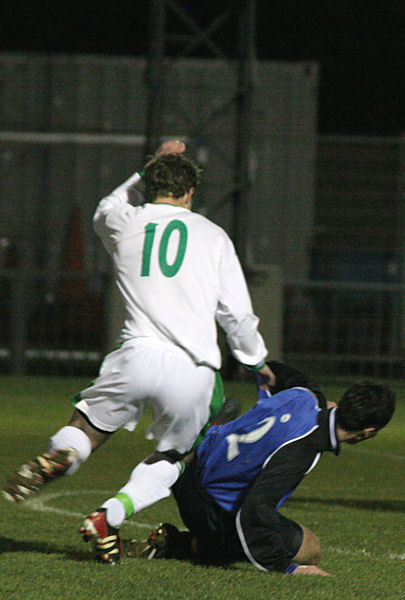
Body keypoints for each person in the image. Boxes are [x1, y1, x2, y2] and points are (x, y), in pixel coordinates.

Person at [2, 140, 273, 565]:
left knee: (88, 424)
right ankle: (110, 514)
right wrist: (256, 360)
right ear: (191, 194)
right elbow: (236, 313)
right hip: (193, 369)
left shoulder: (123, 221)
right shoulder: (213, 236)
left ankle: (67, 452)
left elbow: (106, 205)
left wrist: (144, 169)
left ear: (148, 187)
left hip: (135, 357)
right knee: (177, 454)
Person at [129, 361, 396, 576]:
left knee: (256, 510)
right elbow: (254, 511)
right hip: (204, 505)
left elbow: (274, 371)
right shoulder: (303, 449)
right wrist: (286, 567)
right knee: (310, 548)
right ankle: (183, 545)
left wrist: (260, 370)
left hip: (190, 465)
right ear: (369, 431)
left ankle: (216, 430)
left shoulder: (306, 393)